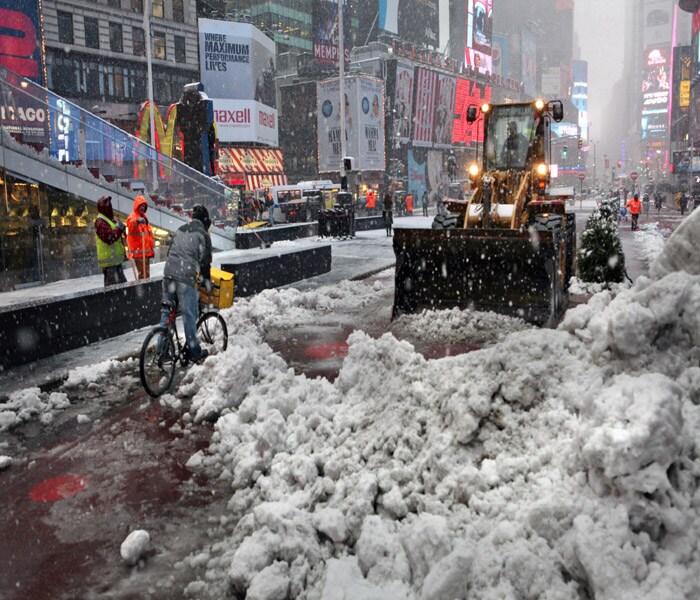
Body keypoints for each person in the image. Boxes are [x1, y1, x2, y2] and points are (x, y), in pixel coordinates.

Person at [160, 204, 213, 364]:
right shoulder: (203, 235)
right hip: (184, 278)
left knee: (166, 313)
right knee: (189, 316)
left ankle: (162, 350)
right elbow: (205, 263)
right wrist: (207, 283)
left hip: (168, 274)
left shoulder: (180, 229)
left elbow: (170, 252)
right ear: (206, 221)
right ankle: (195, 352)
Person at [94, 195, 127, 287]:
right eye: (109, 206)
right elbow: (110, 237)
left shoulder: (108, 219)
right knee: (113, 291)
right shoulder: (100, 222)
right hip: (110, 263)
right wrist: (119, 228)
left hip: (115, 262)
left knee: (121, 288)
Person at [126, 195, 155, 280]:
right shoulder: (133, 217)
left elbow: (148, 236)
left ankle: (144, 290)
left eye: (144, 206)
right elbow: (131, 225)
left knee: (146, 274)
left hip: (145, 252)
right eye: (141, 206)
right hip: (139, 253)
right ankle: (143, 291)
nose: (142, 208)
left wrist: (151, 251)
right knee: (143, 275)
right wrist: (137, 221)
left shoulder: (144, 217)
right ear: (137, 206)